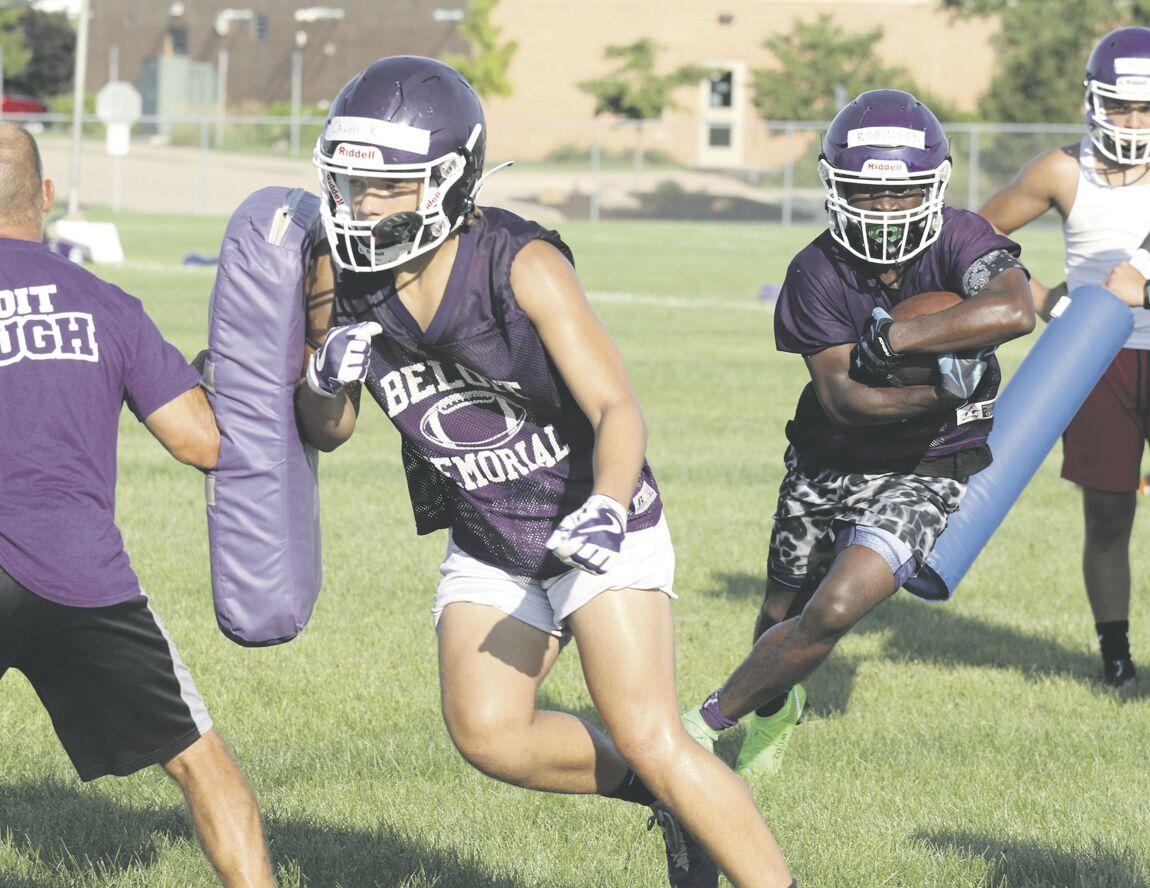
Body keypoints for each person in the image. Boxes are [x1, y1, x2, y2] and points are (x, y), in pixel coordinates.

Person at [295, 57, 794, 888]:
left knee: (647, 731)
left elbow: (616, 408)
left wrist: (606, 505)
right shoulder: (336, 270)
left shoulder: (518, 263)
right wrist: (321, 379)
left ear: (451, 183)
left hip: (591, 517)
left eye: (389, 187)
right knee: (489, 734)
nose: (363, 206)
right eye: (350, 185)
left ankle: (704, 800)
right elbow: (332, 431)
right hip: (491, 534)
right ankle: (679, 797)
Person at [681, 90, 1034, 774]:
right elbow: (843, 399)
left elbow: (1015, 309)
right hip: (828, 459)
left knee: (836, 605)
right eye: (865, 194)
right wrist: (940, 391)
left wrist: (899, 335)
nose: (883, 210)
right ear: (834, 188)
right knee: (781, 611)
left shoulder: (962, 237)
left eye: (901, 194)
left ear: (932, 188)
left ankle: (700, 726)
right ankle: (774, 710)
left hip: (928, 466)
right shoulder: (814, 271)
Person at [0, 124, 276, 888]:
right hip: (82, 574)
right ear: (47, 198)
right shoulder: (103, 301)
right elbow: (201, 443)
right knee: (201, 764)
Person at [980, 26, 1150, 688]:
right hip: (1096, 360)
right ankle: (1116, 656)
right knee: (1107, 513)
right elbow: (974, 239)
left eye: (1145, 106)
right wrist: (1048, 299)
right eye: (1121, 104)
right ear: (1093, 102)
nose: (1133, 119)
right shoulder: (1062, 169)